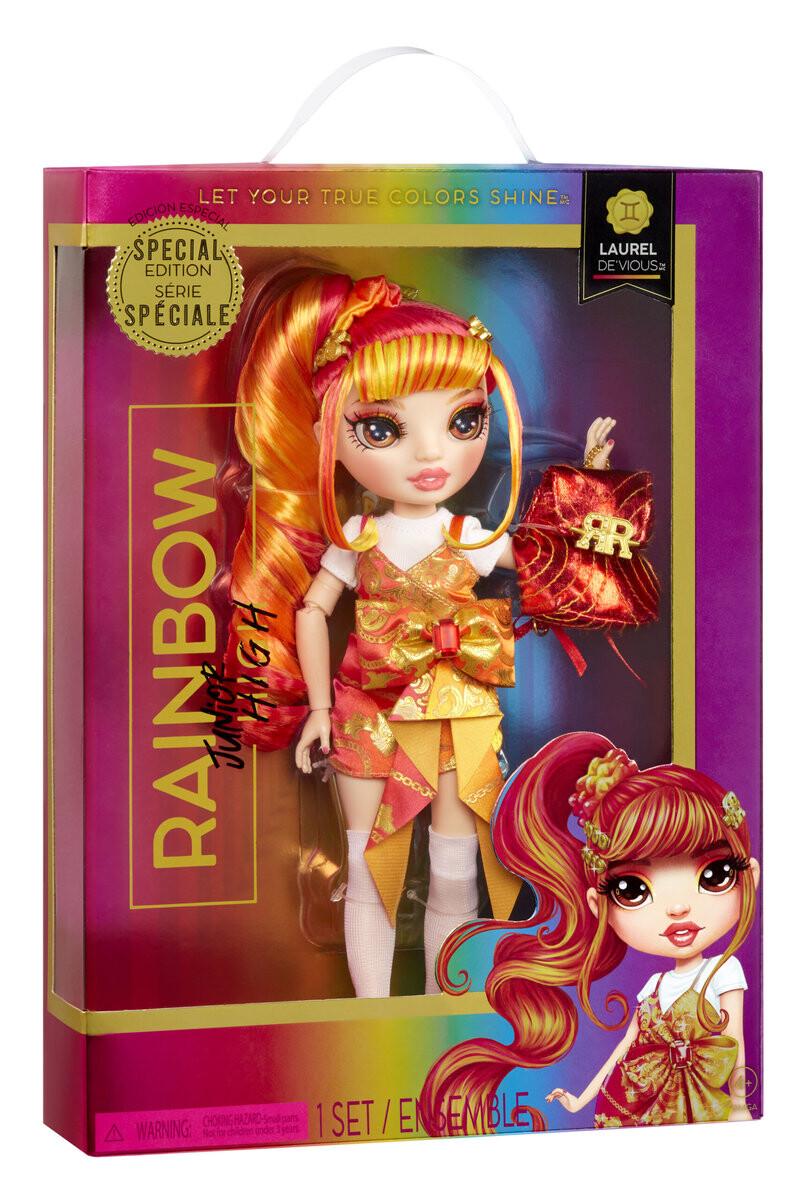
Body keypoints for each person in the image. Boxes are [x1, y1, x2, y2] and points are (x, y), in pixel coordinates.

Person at [418, 732, 760, 1131]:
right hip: (644, 1107)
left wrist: (741, 1106)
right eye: (632, 890)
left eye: (715, 875)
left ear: (750, 876)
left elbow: (735, 1041)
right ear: (599, 906)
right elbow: (622, 1050)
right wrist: (580, 1099)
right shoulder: (652, 988)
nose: (679, 907)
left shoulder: (724, 972)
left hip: (706, 1110)